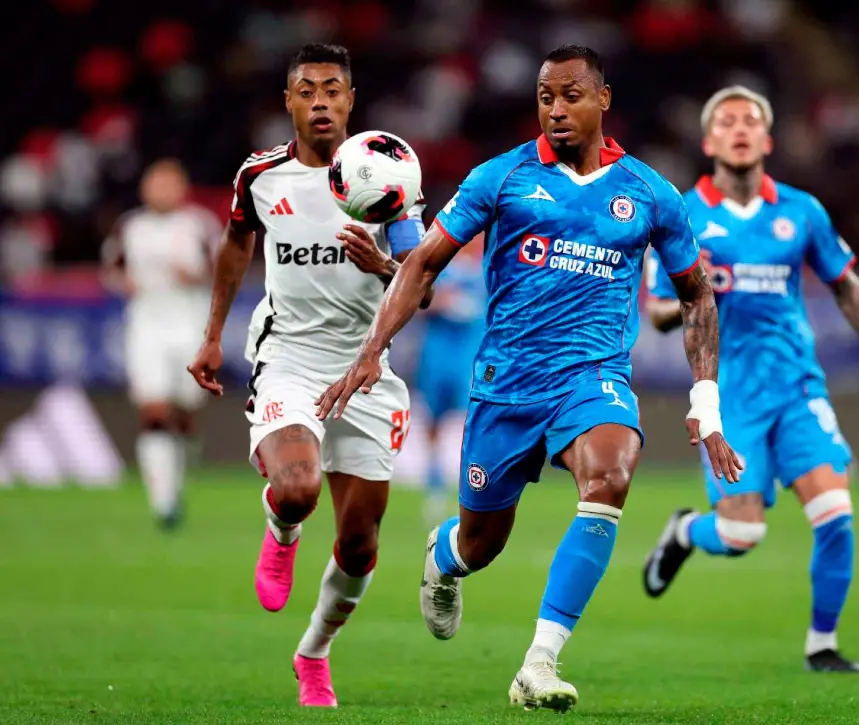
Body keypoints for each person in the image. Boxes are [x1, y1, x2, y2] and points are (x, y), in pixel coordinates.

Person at [316, 45, 742, 712]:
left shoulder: (651, 194)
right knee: (482, 542)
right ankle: (446, 557)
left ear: (603, 99)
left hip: (593, 373)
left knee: (611, 474)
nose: (556, 109)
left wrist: (705, 402)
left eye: (570, 94)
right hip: (507, 382)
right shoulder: (502, 177)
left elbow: (697, 296)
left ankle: (539, 661)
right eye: (545, 97)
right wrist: (374, 348)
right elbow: (425, 262)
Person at [640, 86, 859, 674]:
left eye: (750, 121)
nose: (739, 129)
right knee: (742, 536)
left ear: (766, 140)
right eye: (727, 121)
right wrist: (700, 289)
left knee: (836, 512)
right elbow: (660, 313)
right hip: (731, 394)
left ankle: (822, 646)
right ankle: (687, 532)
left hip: (797, 386)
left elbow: (847, 286)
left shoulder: (802, 211)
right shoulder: (684, 215)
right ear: (708, 140)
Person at [186, 43, 430, 707]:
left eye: (332, 89)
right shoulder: (260, 175)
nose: (320, 100)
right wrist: (211, 336)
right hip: (288, 355)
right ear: (289, 101)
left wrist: (382, 265)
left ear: (351, 101)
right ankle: (283, 525)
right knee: (297, 487)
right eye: (306, 90)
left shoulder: (388, 172)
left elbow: (419, 281)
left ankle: (313, 652)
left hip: (367, 366)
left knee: (359, 540)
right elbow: (238, 244)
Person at [102, 158, 220, 530]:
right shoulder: (130, 228)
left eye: (169, 184)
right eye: (156, 183)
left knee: (184, 412)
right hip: (146, 328)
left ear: (182, 188)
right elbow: (112, 270)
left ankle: (178, 479)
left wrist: (198, 275)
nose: (162, 191)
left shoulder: (199, 226)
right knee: (153, 412)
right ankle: (163, 501)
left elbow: (223, 269)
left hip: (190, 328)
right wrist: (125, 284)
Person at [414, 240, 486, 526]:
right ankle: (435, 490)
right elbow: (418, 303)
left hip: (469, 362)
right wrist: (442, 301)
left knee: (473, 424)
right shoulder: (440, 270)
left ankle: (473, 490)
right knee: (433, 423)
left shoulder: (485, 272)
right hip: (435, 360)